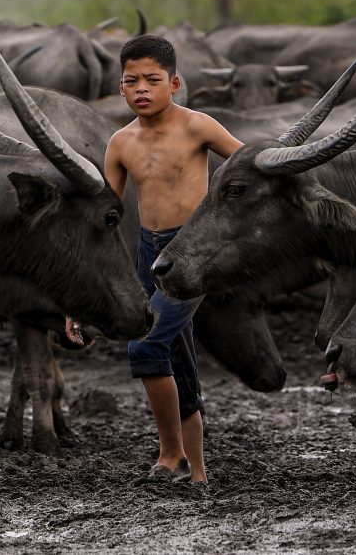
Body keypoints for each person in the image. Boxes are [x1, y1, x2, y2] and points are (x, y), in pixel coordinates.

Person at [100, 34, 242, 485]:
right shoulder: (120, 144)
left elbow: (249, 169)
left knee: (145, 345)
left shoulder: (199, 127)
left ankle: (171, 455)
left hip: (192, 254)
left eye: (152, 80)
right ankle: (197, 473)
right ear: (120, 89)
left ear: (174, 82)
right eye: (131, 81)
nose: (142, 89)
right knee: (176, 359)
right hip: (148, 254)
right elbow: (101, 222)